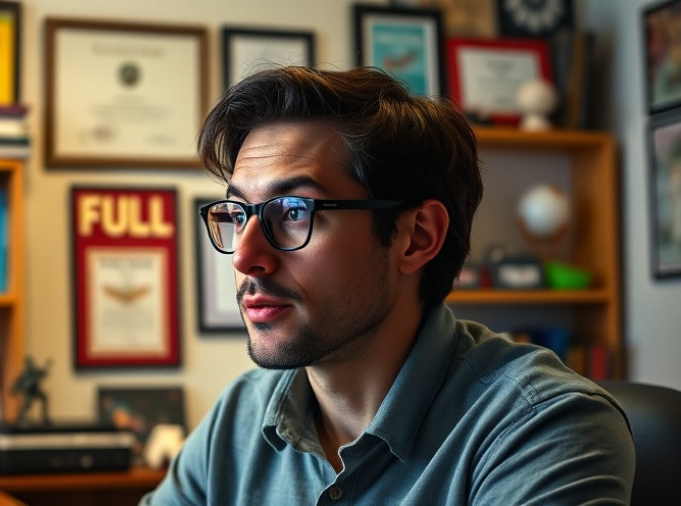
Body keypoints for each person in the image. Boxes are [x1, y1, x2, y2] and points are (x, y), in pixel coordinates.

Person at [141, 66, 635, 505]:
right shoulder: (241, 418)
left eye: (293, 212)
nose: (246, 257)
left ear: (416, 237)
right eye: (238, 214)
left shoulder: (538, 428)